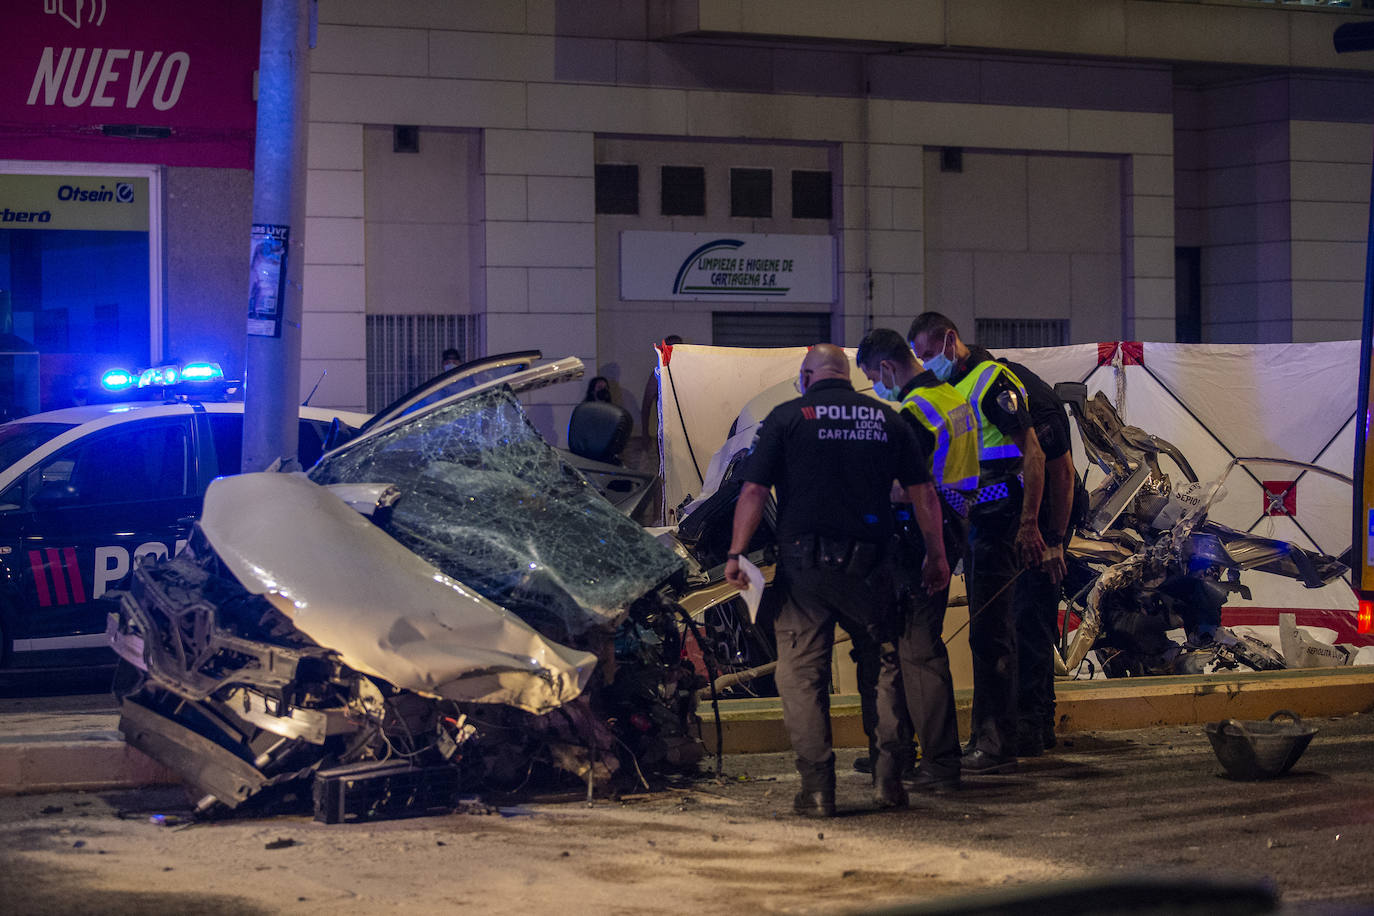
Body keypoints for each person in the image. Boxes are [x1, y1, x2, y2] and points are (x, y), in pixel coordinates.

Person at [724, 344, 949, 816]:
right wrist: (936, 555)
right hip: (873, 567)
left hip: (804, 569)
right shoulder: (888, 418)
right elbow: (923, 492)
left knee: (802, 675)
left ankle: (819, 790)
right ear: (846, 376)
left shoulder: (786, 418)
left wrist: (736, 552)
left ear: (808, 375)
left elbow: (752, 489)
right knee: (883, 669)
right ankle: (889, 783)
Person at [907, 312, 1064, 775]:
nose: (923, 362)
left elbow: (1034, 453)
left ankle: (997, 743)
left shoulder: (992, 380)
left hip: (1000, 521)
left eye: (926, 352)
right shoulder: (949, 389)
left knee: (992, 633)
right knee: (974, 632)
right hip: (968, 520)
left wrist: (1031, 525)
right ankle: (975, 739)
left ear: (949, 339)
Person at [855, 328, 979, 793]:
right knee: (910, 647)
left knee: (916, 650)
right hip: (952, 528)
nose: (877, 386)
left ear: (886, 368)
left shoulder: (914, 412)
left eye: (873, 378)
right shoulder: (952, 397)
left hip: (921, 539)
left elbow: (913, 487)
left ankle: (940, 763)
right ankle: (902, 754)